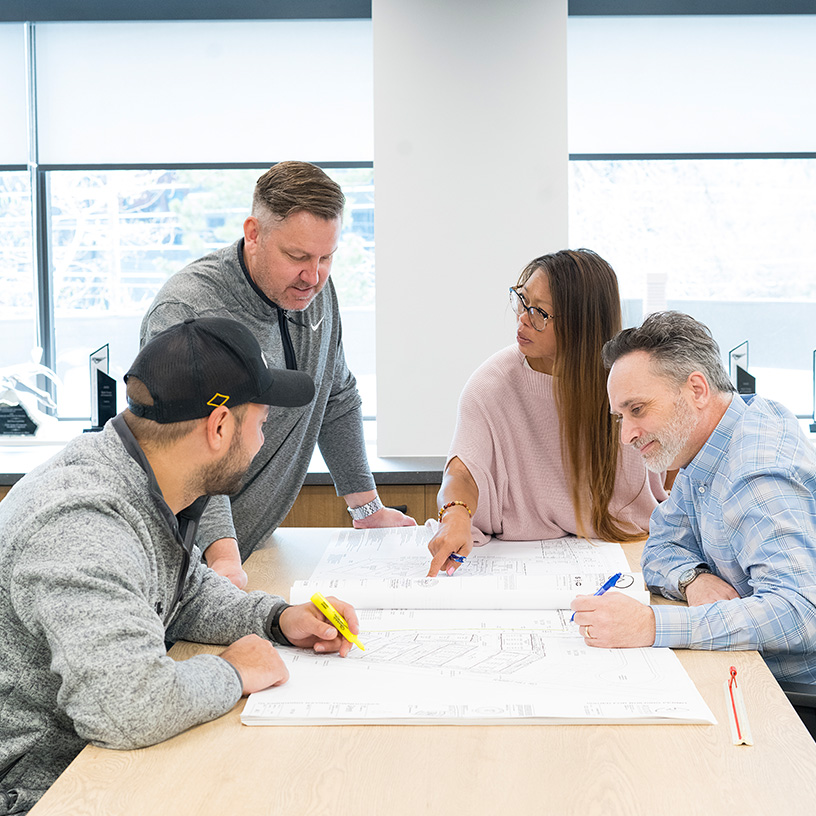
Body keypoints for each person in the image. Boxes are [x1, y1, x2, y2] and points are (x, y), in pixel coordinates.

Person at [0, 317, 361, 815]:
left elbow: (183, 591)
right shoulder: (82, 522)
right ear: (218, 427)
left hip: (87, 761)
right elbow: (127, 707)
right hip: (41, 790)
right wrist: (233, 672)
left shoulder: (135, 478)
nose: (261, 442)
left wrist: (277, 619)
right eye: (259, 423)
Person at [141, 161, 414, 589]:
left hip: (245, 557)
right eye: (297, 256)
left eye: (327, 257)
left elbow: (335, 396)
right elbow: (186, 448)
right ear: (254, 232)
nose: (314, 276)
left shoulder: (314, 294)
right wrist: (224, 558)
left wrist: (367, 511)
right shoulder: (188, 310)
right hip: (178, 562)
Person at [572, 311, 816, 688]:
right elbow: (661, 548)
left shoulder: (757, 473)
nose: (626, 436)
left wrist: (651, 625)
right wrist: (693, 579)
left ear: (697, 390)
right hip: (741, 668)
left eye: (637, 410)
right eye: (620, 417)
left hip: (786, 695)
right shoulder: (705, 445)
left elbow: (800, 614)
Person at [427, 249, 668, 576]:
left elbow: (676, 462)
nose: (523, 318)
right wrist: (455, 516)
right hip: (516, 557)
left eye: (539, 312)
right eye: (521, 300)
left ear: (581, 324)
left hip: (630, 549)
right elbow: (463, 470)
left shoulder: (628, 385)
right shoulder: (493, 383)